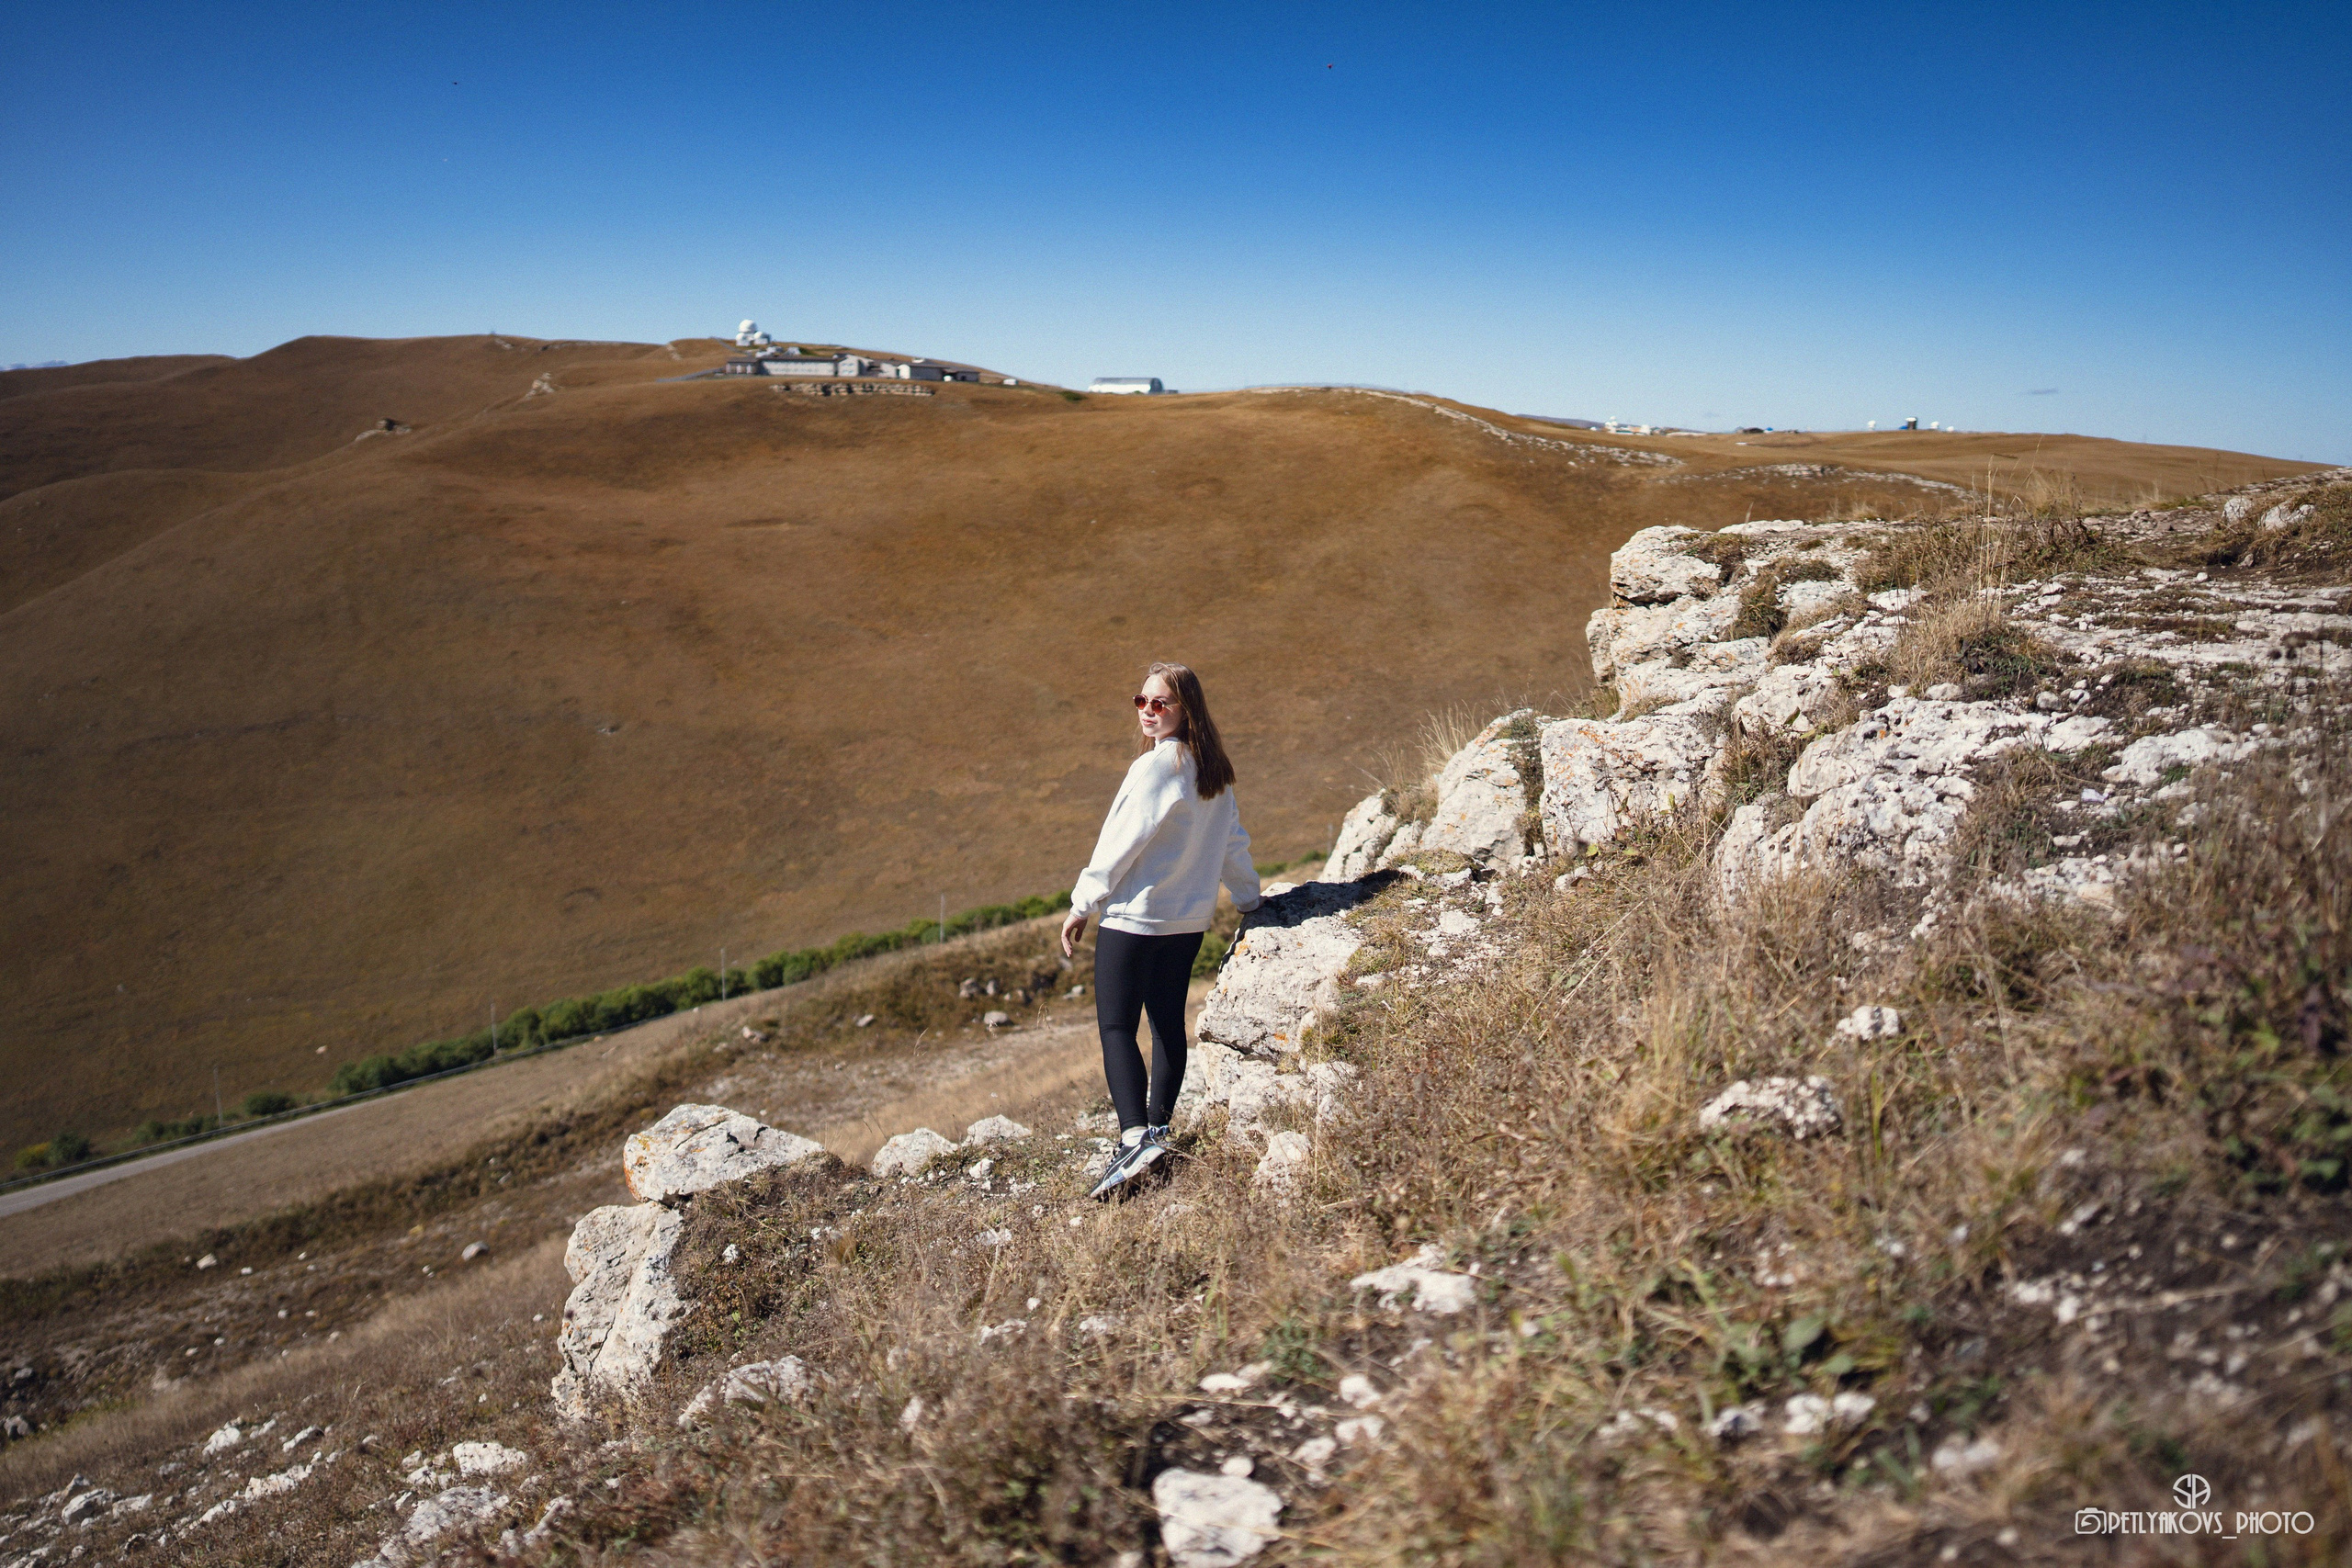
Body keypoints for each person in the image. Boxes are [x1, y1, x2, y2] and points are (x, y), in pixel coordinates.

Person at [1062, 661, 1261, 1199]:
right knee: (1167, 1021)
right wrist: (1249, 900)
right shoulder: (1213, 769)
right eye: (1141, 701)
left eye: (1160, 703)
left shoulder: (1154, 769)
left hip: (1134, 920)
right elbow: (1234, 844)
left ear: (1184, 708)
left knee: (1116, 1028)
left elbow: (1117, 842)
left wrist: (1084, 901)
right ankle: (1160, 1132)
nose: (1147, 712)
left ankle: (1133, 1141)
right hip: (1187, 922)